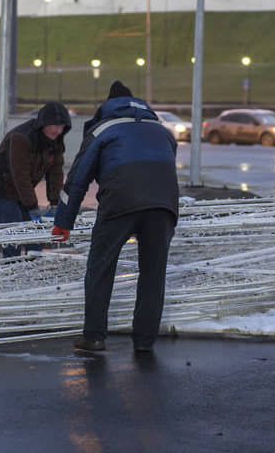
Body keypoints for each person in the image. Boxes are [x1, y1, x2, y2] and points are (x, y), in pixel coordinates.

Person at [51, 80, 179, 354]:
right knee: (153, 274)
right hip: (163, 204)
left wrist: (63, 222)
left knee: (101, 268)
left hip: (121, 200)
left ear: (108, 106)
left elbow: (77, 181)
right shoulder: (162, 130)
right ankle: (145, 342)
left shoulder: (103, 129)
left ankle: (94, 336)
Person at [0, 101, 71, 257]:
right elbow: (20, 175)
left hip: (22, 188)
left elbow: (56, 173)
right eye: (54, 125)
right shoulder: (21, 138)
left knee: (35, 234)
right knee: (15, 229)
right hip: (1, 184)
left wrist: (55, 203)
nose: (58, 130)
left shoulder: (56, 141)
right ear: (44, 123)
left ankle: (32, 266)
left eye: (61, 126)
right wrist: (32, 206)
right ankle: (11, 267)